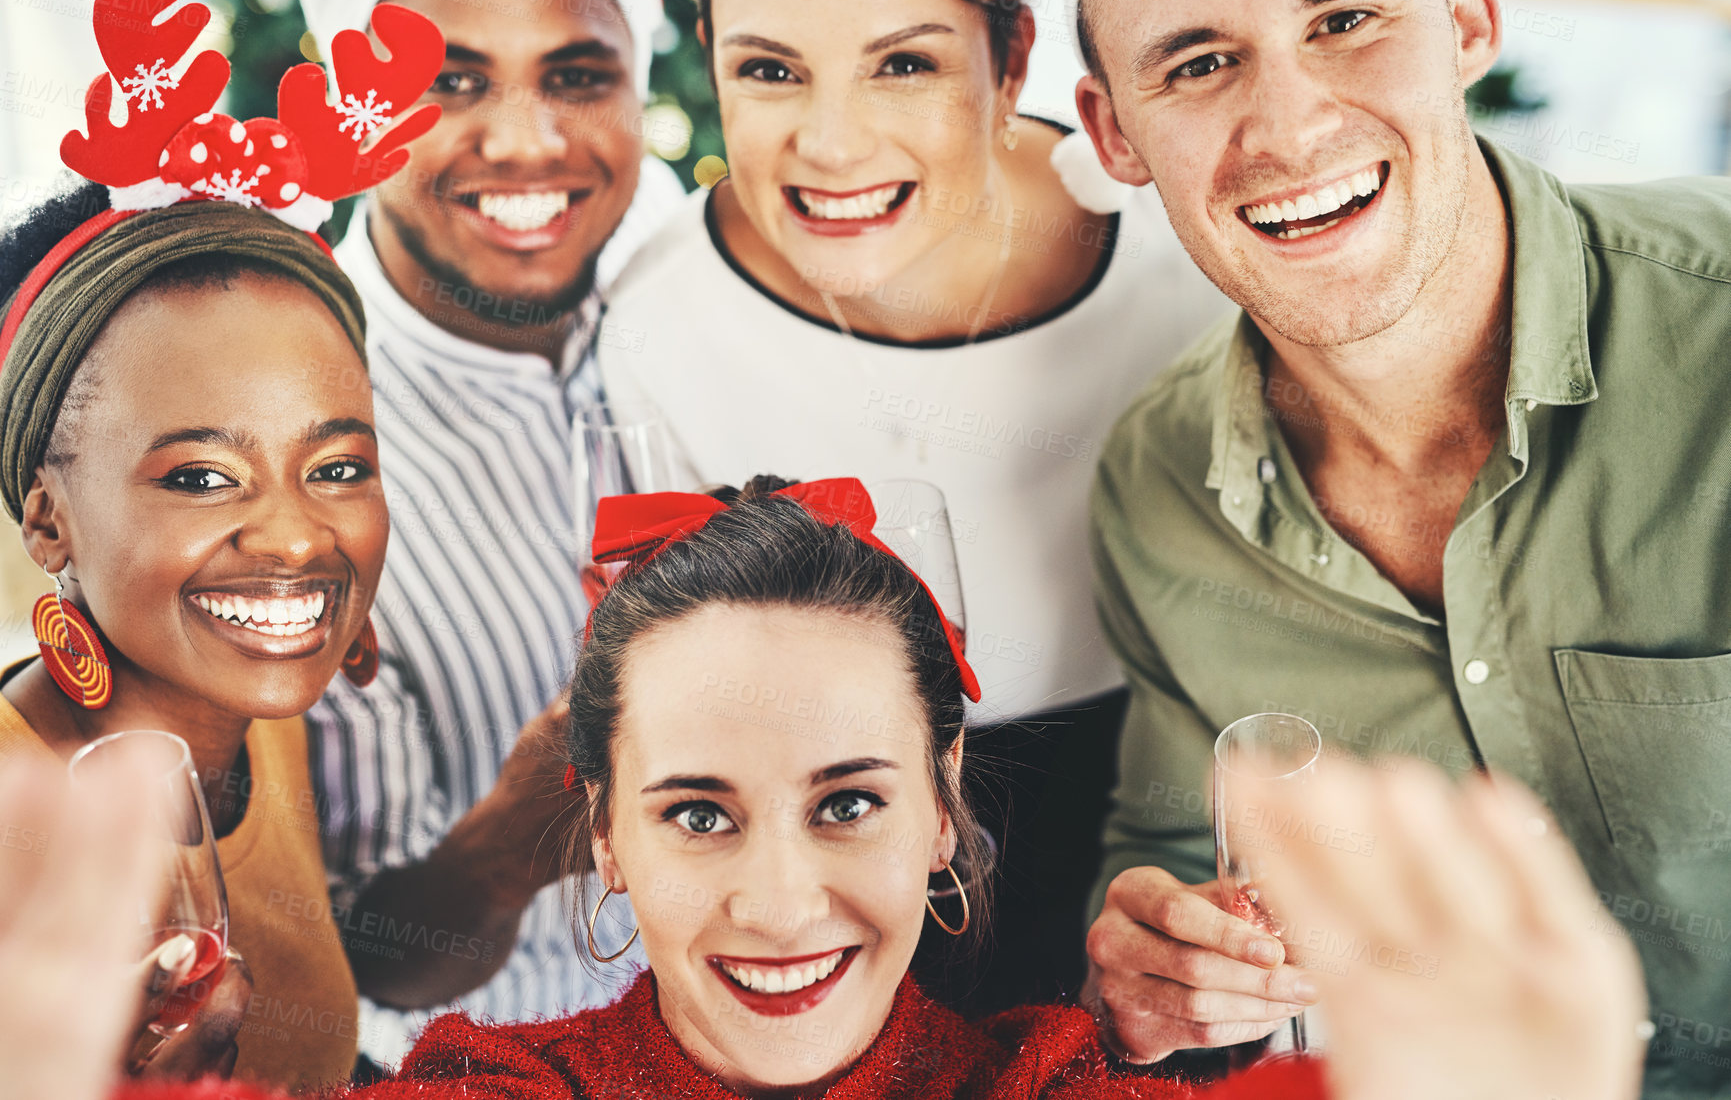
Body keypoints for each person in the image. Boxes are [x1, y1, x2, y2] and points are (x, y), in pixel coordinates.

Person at [0, 478, 1649, 1100]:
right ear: (612, 838)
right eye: (700, 811)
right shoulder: (496, 1092)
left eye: (848, 803)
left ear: (946, 810)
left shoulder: (1051, 1088)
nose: (782, 903)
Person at [1058, 0, 1731, 1094]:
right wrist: (1163, 969)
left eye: (1346, 20)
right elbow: (1176, 854)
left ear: (1467, 18)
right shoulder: (1156, 487)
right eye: (1202, 63)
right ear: (1116, 133)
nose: (1287, 127)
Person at [597, 0, 1230, 1011]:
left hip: (1161, 810)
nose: (832, 143)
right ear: (709, 61)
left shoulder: (1180, 247)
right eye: (770, 70)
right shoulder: (665, 325)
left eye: (903, 67)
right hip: (848, 845)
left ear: (1014, 57)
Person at [0, 0, 445, 1088]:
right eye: (201, 476)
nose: (296, 537)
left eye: (337, 465)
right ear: (47, 518)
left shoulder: (256, 710)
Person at [292, 0, 686, 1065]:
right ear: (343, 104)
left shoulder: (702, 294)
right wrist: (524, 830)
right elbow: (352, 956)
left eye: (577, 76)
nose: (524, 142)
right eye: (447, 82)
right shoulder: (285, 422)